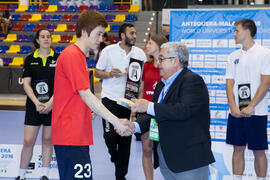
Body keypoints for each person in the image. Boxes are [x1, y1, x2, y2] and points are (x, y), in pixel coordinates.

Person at [118, 42, 215, 180]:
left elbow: (183, 110)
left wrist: (148, 106)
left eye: (161, 59)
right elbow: (155, 113)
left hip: (188, 159)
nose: (158, 64)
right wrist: (134, 126)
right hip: (166, 158)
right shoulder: (162, 84)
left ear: (175, 60)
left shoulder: (192, 81)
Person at [51, 10, 130, 180]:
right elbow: (86, 94)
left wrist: (85, 111)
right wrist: (116, 120)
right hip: (70, 135)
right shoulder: (72, 55)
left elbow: (74, 95)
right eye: (98, 34)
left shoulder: (78, 56)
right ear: (85, 31)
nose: (101, 39)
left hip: (75, 133)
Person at [95, 23, 147, 180]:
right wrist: (110, 74)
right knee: (110, 136)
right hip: (109, 99)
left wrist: (139, 100)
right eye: (131, 33)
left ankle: (120, 176)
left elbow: (141, 80)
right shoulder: (108, 51)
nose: (134, 36)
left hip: (128, 101)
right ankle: (115, 157)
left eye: (135, 33)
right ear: (122, 35)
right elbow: (97, 73)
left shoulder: (140, 54)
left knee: (125, 139)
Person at [225, 19, 270, 180]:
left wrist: (251, 106)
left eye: (237, 30)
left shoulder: (264, 53)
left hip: (257, 112)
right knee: (237, 148)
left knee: (258, 150)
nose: (234, 34)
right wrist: (233, 107)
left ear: (247, 32)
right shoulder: (233, 56)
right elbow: (229, 84)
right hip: (236, 112)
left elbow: (265, 83)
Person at [16, 28, 59, 180]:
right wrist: (36, 102)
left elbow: (61, 84)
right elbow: (26, 84)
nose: (46, 39)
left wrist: (50, 103)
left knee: (48, 140)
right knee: (28, 141)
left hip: (53, 106)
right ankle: (21, 175)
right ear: (38, 40)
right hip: (33, 107)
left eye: (48, 36)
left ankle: (45, 174)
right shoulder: (29, 59)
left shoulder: (58, 58)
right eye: (43, 36)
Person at [134, 34, 168, 180]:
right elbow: (140, 90)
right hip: (146, 113)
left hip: (161, 112)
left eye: (150, 43)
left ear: (159, 46)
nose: (147, 46)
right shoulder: (145, 66)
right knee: (146, 148)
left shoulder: (167, 66)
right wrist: (135, 111)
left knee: (160, 149)